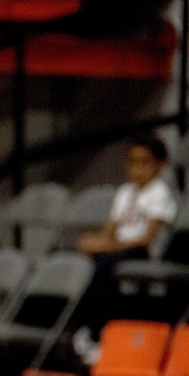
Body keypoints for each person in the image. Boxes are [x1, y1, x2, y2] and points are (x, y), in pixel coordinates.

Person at [74, 135, 178, 358]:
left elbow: (146, 238)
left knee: (105, 264)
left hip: (144, 253)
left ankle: (100, 331)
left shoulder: (160, 193)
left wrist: (108, 247)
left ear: (159, 165)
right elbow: (109, 232)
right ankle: (78, 327)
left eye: (144, 162)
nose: (137, 169)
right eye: (133, 162)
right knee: (76, 264)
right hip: (119, 250)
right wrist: (93, 242)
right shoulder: (125, 192)